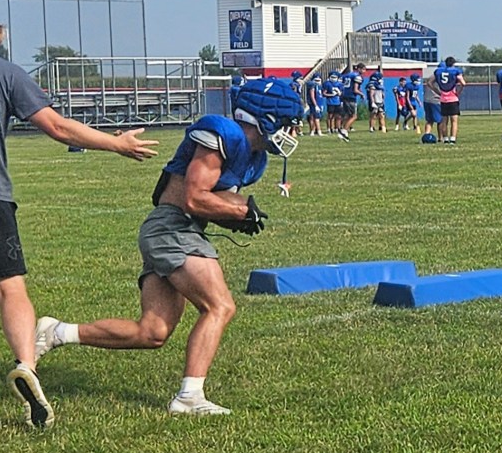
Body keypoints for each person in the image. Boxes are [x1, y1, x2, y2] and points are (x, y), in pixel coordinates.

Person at [0, 0, 159, 428]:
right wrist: (116, 143)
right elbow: (57, 127)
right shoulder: (7, 72)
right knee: (10, 288)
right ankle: (26, 365)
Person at [34, 78, 304, 417]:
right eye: (288, 122)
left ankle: (56, 332)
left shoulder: (252, 158)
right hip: (173, 227)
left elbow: (209, 201)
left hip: (175, 229)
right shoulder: (224, 134)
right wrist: (238, 210)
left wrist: (237, 215)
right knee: (220, 306)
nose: (291, 131)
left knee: (152, 332)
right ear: (266, 117)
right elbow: (193, 197)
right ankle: (189, 396)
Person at [432, 56, 466, 144]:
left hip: (443, 99)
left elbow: (429, 82)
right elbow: (463, 83)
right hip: (453, 98)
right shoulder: (455, 71)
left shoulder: (439, 72)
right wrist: (458, 92)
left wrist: (438, 92)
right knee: (454, 120)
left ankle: (445, 138)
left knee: (444, 120)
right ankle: (453, 138)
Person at [338, 62, 366, 141]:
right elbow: (355, 89)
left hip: (344, 96)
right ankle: (344, 131)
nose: (364, 71)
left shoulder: (347, 75)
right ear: (359, 69)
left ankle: (342, 130)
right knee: (354, 116)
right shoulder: (357, 77)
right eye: (363, 69)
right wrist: (362, 94)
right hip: (351, 97)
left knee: (347, 115)